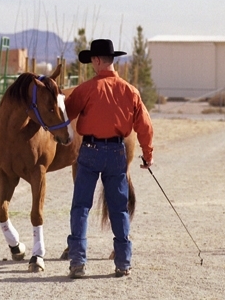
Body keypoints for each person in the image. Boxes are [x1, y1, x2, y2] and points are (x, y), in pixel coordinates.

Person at [65, 39, 154, 278]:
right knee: (118, 208)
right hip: (117, 153)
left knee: (81, 207)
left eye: (91, 60)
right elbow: (145, 126)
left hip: (91, 151)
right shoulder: (130, 91)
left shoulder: (85, 90)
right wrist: (147, 155)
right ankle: (123, 263)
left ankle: (77, 262)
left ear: (96, 60)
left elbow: (66, 113)